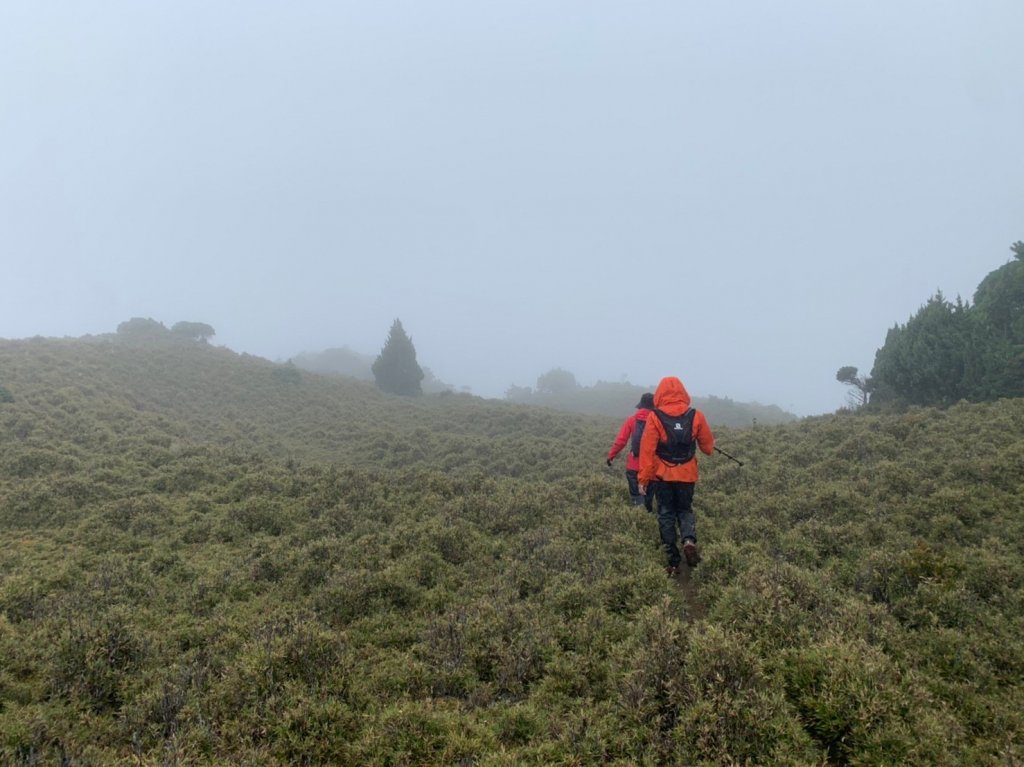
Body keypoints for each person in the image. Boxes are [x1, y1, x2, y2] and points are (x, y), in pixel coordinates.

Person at [638, 376, 715, 575]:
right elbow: (708, 449)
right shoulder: (696, 415)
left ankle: (673, 562)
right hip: (687, 475)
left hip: (662, 476)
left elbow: (647, 451)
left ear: (660, 394)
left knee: (666, 514)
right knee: (685, 509)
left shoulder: (654, 417)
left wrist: (643, 479)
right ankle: (688, 540)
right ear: (683, 392)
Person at [606, 392, 655, 512]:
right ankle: (648, 517)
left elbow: (621, 441)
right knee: (648, 497)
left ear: (640, 406)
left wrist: (611, 455)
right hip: (652, 467)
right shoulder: (658, 422)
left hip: (634, 466)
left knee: (637, 497)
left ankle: (638, 516)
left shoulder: (632, 420)